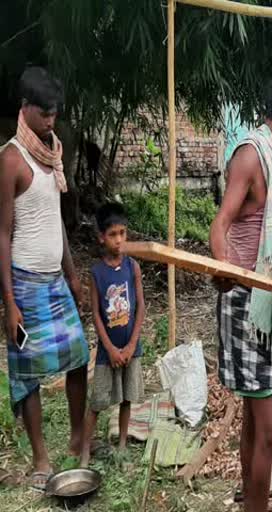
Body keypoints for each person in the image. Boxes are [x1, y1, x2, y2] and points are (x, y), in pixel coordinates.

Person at [209, 74, 272, 512]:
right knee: (268, 427)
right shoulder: (251, 156)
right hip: (245, 305)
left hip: (264, 304)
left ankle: (251, 497)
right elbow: (221, 225)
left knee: (254, 416)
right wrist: (222, 267)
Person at [0, 67, 90, 490]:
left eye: (55, 113)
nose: (52, 121)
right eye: (45, 114)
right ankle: (40, 457)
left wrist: (73, 277)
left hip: (56, 280)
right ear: (25, 108)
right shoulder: (12, 159)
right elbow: (2, 235)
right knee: (27, 373)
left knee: (78, 356)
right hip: (24, 283)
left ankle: (76, 435)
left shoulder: (52, 152)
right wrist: (10, 303)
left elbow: (55, 221)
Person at [79, 203, 145, 468]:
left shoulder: (133, 267)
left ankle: (122, 447)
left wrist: (130, 346)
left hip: (131, 348)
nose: (119, 239)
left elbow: (140, 307)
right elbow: (96, 314)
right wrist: (111, 348)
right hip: (108, 351)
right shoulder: (97, 273)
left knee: (128, 398)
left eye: (123, 233)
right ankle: (84, 453)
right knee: (97, 402)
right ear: (101, 238)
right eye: (113, 234)